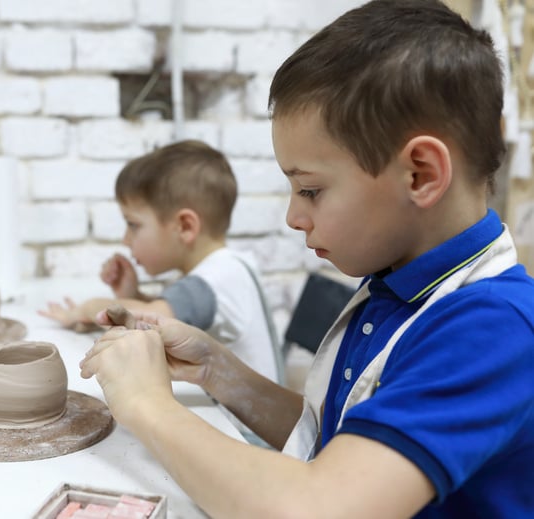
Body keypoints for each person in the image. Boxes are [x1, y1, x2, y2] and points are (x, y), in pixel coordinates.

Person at [79, 1, 534, 517]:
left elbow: (321, 506)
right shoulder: (398, 283)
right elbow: (345, 441)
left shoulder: (494, 328)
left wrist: (145, 404)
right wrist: (217, 370)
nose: (294, 217)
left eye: (311, 190)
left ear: (421, 175)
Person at [40, 139, 284, 383]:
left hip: (238, 421)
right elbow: (171, 318)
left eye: (133, 225)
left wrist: (86, 309)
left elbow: (147, 318)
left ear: (185, 227)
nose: (126, 240)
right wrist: (133, 293)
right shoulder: (226, 268)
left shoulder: (214, 281)